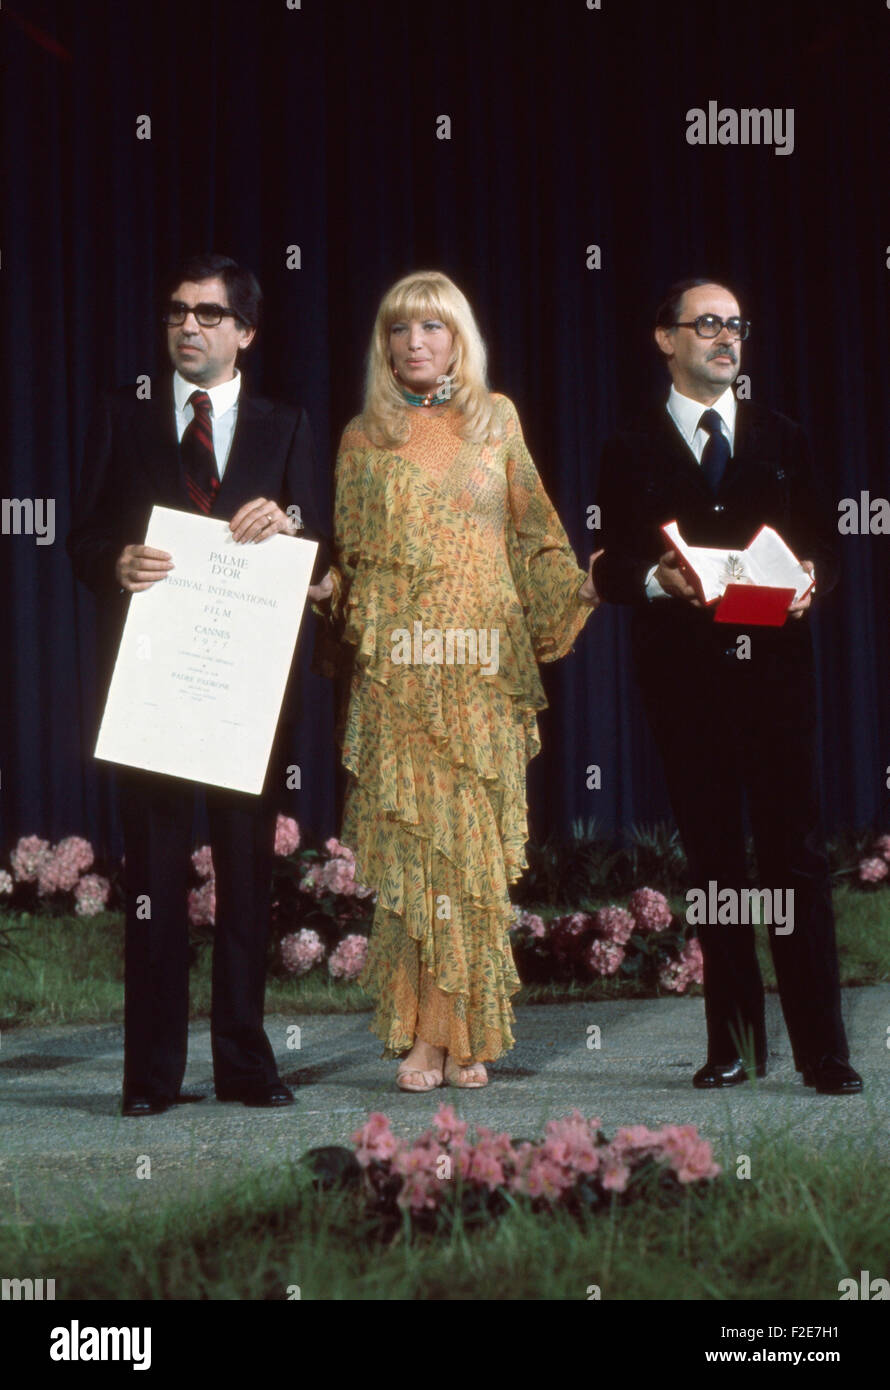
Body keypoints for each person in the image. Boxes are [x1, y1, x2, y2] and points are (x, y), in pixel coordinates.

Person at [68, 252, 331, 1115]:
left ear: (245, 332)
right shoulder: (123, 415)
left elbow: (321, 545)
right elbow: (81, 542)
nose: (188, 326)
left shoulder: (285, 422)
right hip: (152, 692)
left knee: (247, 885)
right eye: (178, 311)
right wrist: (116, 561)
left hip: (245, 693)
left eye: (209, 314)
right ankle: (150, 1079)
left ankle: (247, 1068)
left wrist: (291, 525)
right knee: (154, 887)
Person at [325, 269, 599, 1091]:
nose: (416, 343)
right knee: (418, 854)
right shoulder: (360, 438)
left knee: (471, 861)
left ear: (458, 339)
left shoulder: (497, 420)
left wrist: (587, 581)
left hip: (481, 666)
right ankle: (422, 1036)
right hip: (404, 672)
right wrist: (316, 591)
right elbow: (349, 560)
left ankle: (463, 1032)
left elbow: (536, 533)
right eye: (401, 330)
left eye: (433, 329)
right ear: (384, 345)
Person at [593, 277, 862, 1096]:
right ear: (664, 338)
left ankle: (824, 1052)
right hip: (686, 688)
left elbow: (826, 546)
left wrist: (815, 574)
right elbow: (608, 571)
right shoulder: (627, 446)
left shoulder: (784, 437)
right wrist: (655, 583)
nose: (725, 338)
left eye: (735, 325)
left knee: (796, 860)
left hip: (779, 684)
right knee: (714, 864)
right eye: (706, 324)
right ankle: (734, 1044)